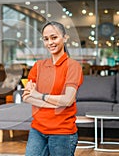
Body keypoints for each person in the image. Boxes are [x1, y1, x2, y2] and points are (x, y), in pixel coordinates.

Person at [22, 21, 83, 156]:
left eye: (54, 37)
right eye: (46, 39)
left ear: (65, 38)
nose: (50, 42)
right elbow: (26, 97)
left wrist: (39, 95)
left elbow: (68, 100)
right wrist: (56, 103)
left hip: (62, 132)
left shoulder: (73, 66)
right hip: (37, 130)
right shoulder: (38, 66)